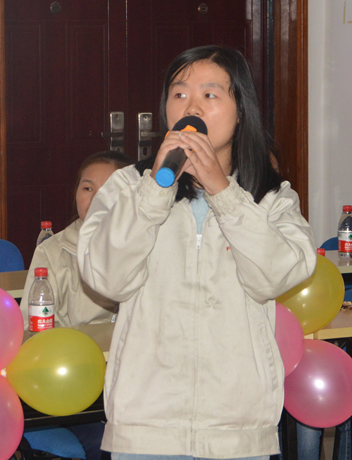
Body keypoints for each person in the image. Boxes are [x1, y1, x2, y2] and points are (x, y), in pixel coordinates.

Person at [77, 45, 316, 460]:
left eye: (210, 94)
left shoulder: (269, 195)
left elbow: (275, 278)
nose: (192, 107)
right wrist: (155, 190)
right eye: (179, 94)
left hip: (236, 425)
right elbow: (106, 278)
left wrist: (224, 192)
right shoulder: (127, 187)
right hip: (146, 422)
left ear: (240, 112)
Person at [21, 149, 133, 460]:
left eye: (109, 189)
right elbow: (34, 329)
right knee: (107, 446)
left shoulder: (150, 245)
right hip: (76, 385)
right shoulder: (53, 251)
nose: (95, 198)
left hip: (134, 382)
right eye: (87, 188)